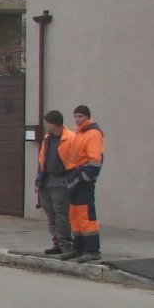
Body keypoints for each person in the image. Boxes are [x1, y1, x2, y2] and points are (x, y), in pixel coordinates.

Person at [65, 104, 105, 262]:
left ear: (88, 117)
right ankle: (78, 248)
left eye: (80, 116)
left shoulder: (93, 134)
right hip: (75, 178)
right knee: (75, 215)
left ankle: (93, 250)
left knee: (86, 216)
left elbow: (95, 161)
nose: (77, 119)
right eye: (75, 116)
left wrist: (81, 177)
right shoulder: (79, 133)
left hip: (82, 180)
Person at [35, 110, 75, 256]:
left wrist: (70, 180)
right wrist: (38, 181)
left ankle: (66, 245)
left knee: (61, 214)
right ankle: (56, 243)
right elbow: (41, 161)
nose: (45, 125)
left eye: (47, 122)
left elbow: (75, 161)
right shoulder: (47, 139)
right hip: (47, 180)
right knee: (50, 214)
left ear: (54, 123)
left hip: (61, 179)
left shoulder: (70, 138)